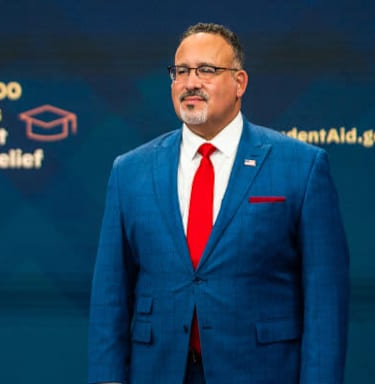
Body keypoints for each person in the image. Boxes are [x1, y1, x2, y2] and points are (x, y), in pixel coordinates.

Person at [87, 23, 348, 383]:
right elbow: (109, 299)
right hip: (158, 371)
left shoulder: (301, 166)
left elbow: (325, 303)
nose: (191, 82)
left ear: (239, 82)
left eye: (207, 70)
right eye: (181, 72)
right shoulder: (130, 171)